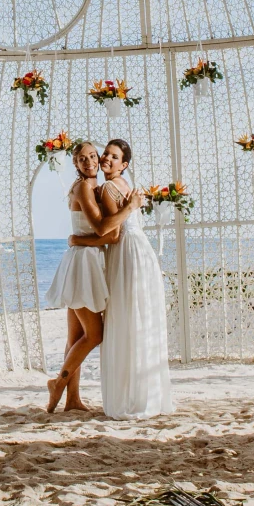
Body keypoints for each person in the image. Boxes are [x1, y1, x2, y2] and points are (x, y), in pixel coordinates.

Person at [43, 142, 139, 412]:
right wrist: (129, 209)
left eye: (92, 156)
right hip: (83, 264)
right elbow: (105, 232)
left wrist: (77, 238)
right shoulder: (85, 187)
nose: (89, 162)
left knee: (75, 338)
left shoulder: (94, 187)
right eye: (82, 158)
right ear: (75, 163)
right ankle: (58, 383)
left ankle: (72, 399)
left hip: (83, 261)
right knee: (94, 335)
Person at [93, 138, 174, 418]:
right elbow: (111, 226)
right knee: (134, 317)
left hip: (132, 254)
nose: (106, 159)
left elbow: (109, 229)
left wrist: (130, 207)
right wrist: (131, 207)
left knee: (134, 318)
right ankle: (140, 394)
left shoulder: (110, 187)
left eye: (114, 157)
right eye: (105, 154)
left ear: (124, 165)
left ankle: (139, 394)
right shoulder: (112, 188)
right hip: (133, 252)